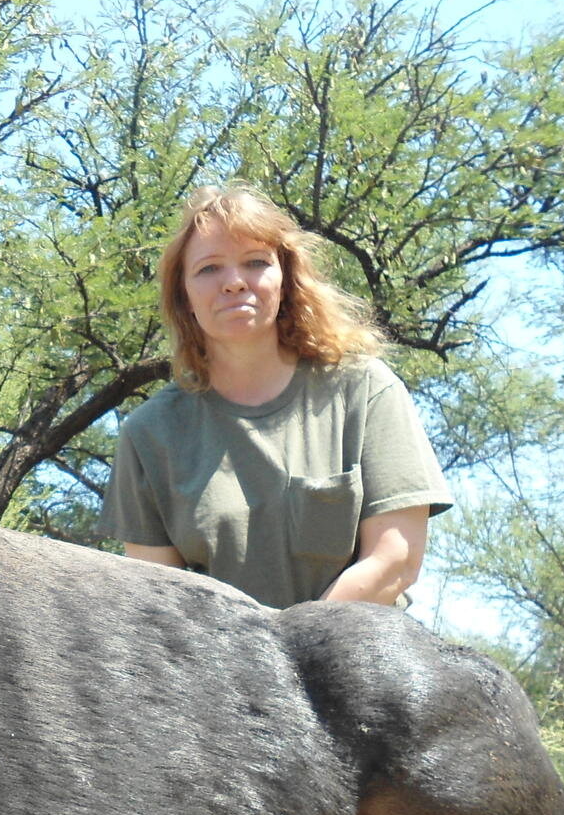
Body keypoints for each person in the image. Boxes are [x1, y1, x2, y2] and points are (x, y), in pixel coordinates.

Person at [98, 185, 451, 609]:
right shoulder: (148, 435)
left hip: (358, 658)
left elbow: (396, 560)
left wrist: (297, 648)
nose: (233, 283)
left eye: (255, 263)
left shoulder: (366, 390)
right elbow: (157, 603)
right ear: (183, 296)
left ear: (285, 280)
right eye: (209, 268)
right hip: (216, 668)